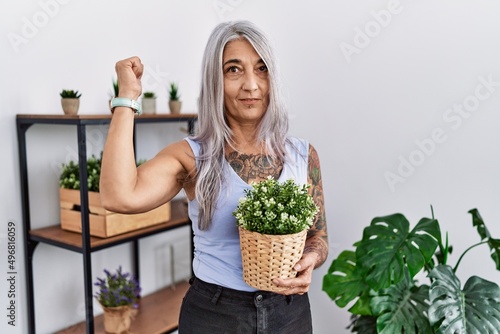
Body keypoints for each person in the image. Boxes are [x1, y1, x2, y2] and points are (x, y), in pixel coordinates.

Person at [100, 20, 328, 334]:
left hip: (289, 315)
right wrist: (127, 97)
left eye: (261, 69)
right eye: (234, 69)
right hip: (215, 316)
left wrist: (310, 261)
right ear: (215, 80)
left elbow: (318, 237)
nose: (251, 85)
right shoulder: (192, 156)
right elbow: (118, 196)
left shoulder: (303, 155)